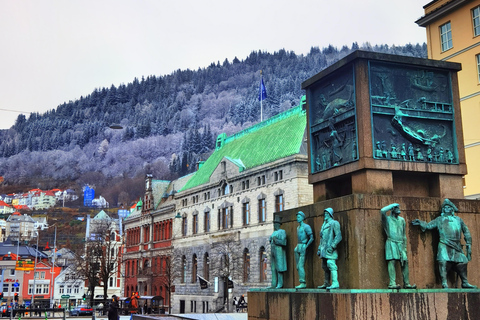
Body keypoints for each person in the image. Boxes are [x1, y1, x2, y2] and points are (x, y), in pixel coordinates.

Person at [412, 199, 476, 289]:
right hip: (444, 243)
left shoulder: (458, 220)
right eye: (445, 207)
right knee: (443, 261)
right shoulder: (440, 219)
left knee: (463, 261)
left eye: (448, 207)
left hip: (456, 245)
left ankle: (464, 282)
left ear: (452, 209)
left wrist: (468, 243)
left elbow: (466, 231)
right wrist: (420, 223)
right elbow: (429, 226)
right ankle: (444, 282)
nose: (446, 208)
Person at [381, 203, 416, 289]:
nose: (398, 209)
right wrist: (391, 205)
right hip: (391, 242)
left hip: (400, 243)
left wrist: (405, 247)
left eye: (398, 207)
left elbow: (404, 235)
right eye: (396, 208)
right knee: (392, 261)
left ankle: (406, 283)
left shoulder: (402, 220)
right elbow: (382, 211)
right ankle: (392, 283)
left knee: (405, 262)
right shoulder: (387, 219)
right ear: (392, 209)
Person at [317, 208, 342, 289]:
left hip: (330, 248)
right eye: (325, 214)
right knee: (324, 266)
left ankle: (335, 282)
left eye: (327, 214)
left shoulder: (334, 223)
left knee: (331, 264)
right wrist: (319, 249)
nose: (325, 215)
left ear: (330, 214)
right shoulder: (323, 225)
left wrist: (332, 246)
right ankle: (326, 283)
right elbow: (322, 239)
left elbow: (338, 236)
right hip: (323, 249)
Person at [294, 211, 314, 288]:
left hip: (303, 246)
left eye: (298, 217)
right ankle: (301, 281)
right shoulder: (297, 228)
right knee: (297, 266)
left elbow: (311, 238)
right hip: (297, 247)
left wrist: (306, 247)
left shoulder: (306, 227)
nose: (297, 218)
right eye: (297, 217)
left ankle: (303, 282)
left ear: (302, 218)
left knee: (300, 266)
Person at [269, 215, 287, 288]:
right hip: (273, 249)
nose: (274, 225)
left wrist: (276, 240)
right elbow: (271, 240)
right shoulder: (274, 232)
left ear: (278, 224)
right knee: (273, 268)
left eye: (275, 223)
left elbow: (284, 242)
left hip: (279, 250)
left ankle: (280, 283)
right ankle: (273, 284)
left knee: (279, 268)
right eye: (274, 224)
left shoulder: (282, 232)